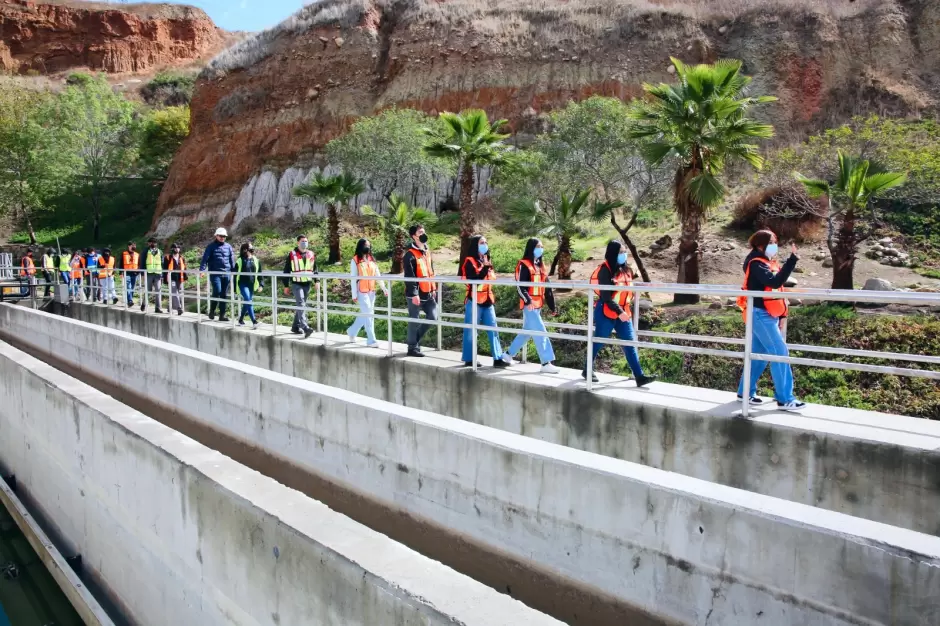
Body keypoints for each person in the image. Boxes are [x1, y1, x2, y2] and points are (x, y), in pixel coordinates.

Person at [736, 230, 806, 412]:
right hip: (760, 314)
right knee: (780, 352)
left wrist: (782, 314)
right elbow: (775, 283)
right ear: (761, 245)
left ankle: (745, 392)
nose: (775, 245)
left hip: (765, 313)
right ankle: (785, 399)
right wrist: (792, 260)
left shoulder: (763, 262)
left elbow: (775, 291)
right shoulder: (757, 264)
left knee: (759, 354)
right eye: (773, 242)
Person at [584, 240, 657, 387]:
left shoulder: (626, 269)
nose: (624, 254)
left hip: (623, 312)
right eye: (621, 252)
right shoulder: (605, 270)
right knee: (599, 341)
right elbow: (606, 296)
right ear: (613, 253)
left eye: (625, 251)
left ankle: (639, 376)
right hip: (607, 311)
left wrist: (625, 309)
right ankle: (587, 369)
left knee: (629, 343)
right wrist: (620, 312)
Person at [505, 238, 559, 374]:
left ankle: (507, 355)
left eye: (541, 246)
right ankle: (546, 362)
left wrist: (552, 306)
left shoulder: (541, 266)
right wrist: (528, 301)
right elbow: (520, 287)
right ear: (531, 248)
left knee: (526, 332)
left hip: (538, 305)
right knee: (541, 331)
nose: (540, 249)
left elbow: (547, 288)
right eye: (537, 246)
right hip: (530, 306)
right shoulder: (524, 265)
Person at [459, 234, 511, 368]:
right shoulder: (469, 261)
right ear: (475, 245)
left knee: (493, 329)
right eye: (482, 243)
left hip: (488, 300)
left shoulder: (487, 260)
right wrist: (485, 268)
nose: (485, 245)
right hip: (474, 300)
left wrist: (487, 266)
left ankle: (498, 358)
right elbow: (474, 280)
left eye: (486, 242)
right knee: (471, 331)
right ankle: (469, 359)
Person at [402, 224, 437, 357]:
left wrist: (433, 287)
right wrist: (414, 294)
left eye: (424, 231)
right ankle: (412, 348)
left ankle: (414, 340)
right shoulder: (410, 255)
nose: (423, 234)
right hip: (415, 294)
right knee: (414, 320)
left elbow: (430, 271)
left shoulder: (427, 251)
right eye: (420, 232)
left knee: (434, 316)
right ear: (413, 236)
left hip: (428, 292)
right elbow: (409, 276)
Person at [347, 238, 388, 346]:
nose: (368, 247)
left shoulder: (371, 259)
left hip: (371, 291)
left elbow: (377, 275)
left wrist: (384, 288)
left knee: (366, 313)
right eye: (366, 245)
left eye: (369, 245)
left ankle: (352, 331)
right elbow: (353, 278)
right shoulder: (355, 260)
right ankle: (371, 340)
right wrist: (354, 294)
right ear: (360, 246)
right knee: (369, 314)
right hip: (361, 291)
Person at [281, 234, 316, 338]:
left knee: (302, 305)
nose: (304, 243)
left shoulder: (311, 254)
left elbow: (315, 269)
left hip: (307, 283)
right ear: (298, 242)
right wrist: (286, 285)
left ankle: (295, 327)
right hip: (296, 283)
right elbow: (286, 270)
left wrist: (317, 281)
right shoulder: (292, 254)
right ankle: (305, 327)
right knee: (301, 304)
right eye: (302, 241)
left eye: (306, 241)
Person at [199, 227, 236, 321]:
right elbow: (205, 259)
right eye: (221, 236)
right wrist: (202, 270)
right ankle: (212, 310)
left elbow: (232, 260)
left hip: (226, 273)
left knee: (224, 294)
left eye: (224, 236)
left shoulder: (228, 247)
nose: (222, 238)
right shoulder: (211, 247)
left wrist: (234, 271)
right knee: (217, 291)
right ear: (216, 236)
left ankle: (222, 315)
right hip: (215, 273)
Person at [234, 242, 262, 328]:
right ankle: (254, 321)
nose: (252, 249)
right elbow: (235, 275)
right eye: (250, 247)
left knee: (247, 301)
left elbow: (260, 273)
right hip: (242, 283)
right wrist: (234, 289)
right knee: (248, 300)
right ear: (245, 250)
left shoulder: (255, 260)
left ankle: (240, 320)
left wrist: (261, 284)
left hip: (251, 284)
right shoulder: (240, 260)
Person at [139, 237, 164, 313]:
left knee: (158, 291)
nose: (153, 244)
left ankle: (158, 308)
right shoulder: (145, 251)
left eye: (154, 242)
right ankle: (144, 303)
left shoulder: (160, 252)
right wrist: (142, 274)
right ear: (149, 243)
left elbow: (162, 263)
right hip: (149, 273)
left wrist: (162, 274)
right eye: (151, 242)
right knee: (148, 290)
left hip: (158, 274)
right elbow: (142, 263)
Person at [164, 243, 187, 315]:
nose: (176, 249)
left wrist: (185, 277)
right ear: (172, 249)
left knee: (178, 293)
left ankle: (169, 307)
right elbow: (164, 269)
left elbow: (184, 268)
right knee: (174, 292)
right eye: (175, 248)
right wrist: (165, 279)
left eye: (178, 248)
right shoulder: (167, 258)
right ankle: (179, 308)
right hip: (171, 278)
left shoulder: (182, 258)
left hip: (180, 278)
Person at [120, 241, 140, 306]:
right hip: (127, 273)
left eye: (134, 245)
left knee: (132, 288)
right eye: (132, 245)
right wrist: (121, 272)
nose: (134, 247)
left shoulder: (137, 254)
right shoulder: (124, 254)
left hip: (134, 273)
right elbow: (121, 263)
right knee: (128, 286)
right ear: (129, 246)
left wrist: (138, 272)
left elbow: (139, 264)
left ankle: (129, 300)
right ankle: (130, 300)